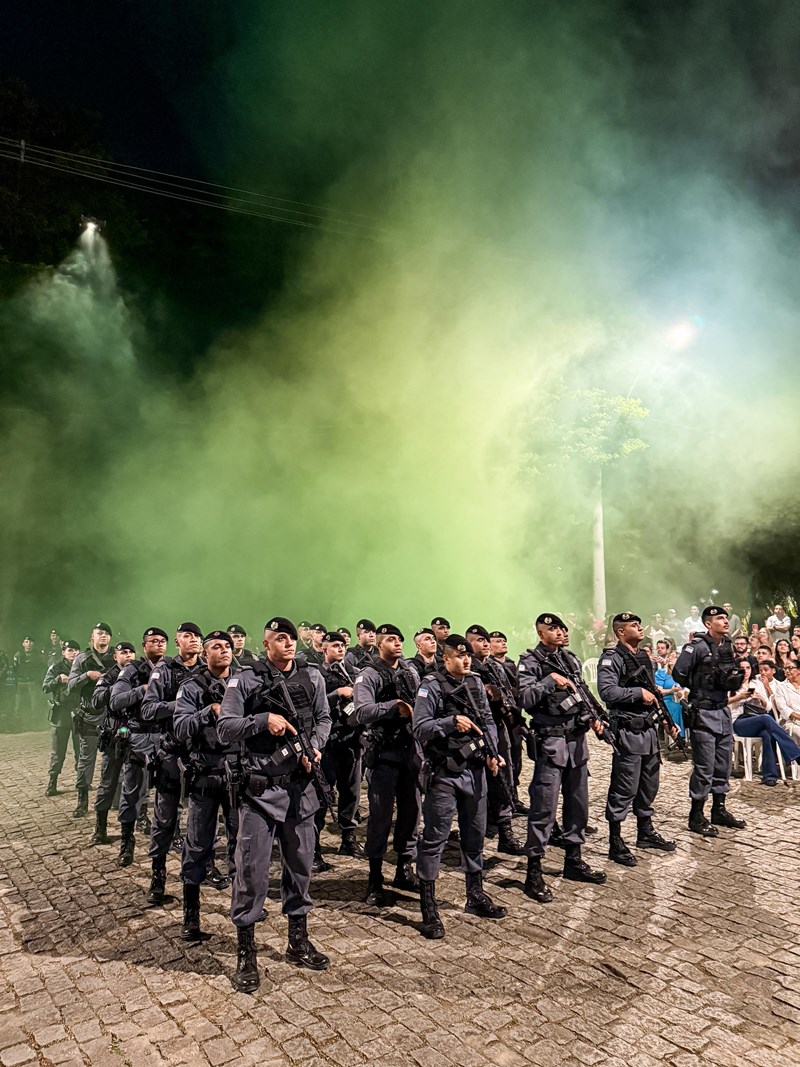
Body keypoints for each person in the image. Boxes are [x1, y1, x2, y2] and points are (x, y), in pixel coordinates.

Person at [217, 616, 332, 993]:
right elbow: (226, 727)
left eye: (291, 638)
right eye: (279, 639)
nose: (288, 643)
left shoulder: (312, 676)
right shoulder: (245, 679)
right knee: (251, 872)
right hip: (260, 793)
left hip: (302, 789)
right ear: (266, 645)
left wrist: (313, 748)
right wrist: (262, 720)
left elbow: (325, 719)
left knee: (300, 868)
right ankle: (246, 950)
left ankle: (297, 940)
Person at [413, 634, 507, 939]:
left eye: (468, 656)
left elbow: (488, 720)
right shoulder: (431, 685)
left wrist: (494, 753)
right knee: (435, 838)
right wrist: (451, 722)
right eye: (459, 656)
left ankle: (475, 894)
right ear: (446, 658)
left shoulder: (475, 683)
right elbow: (420, 727)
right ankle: (428, 907)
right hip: (445, 773)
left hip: (476, 770)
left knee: (475, 835)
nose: (466, 660)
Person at [517, 613, 606, 904]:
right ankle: (533, 871)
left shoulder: (570, 659)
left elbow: (582, 692)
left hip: (576, 741)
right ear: (540, 633)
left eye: (561, 628)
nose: (559, 632)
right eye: (552, 628)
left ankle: (573, 859)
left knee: (578, 802)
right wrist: (548, 681)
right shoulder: (530, 662)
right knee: (544, 806)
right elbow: (524, 699)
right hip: (551, 741)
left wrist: (593, 718)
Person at [173, 630, 242, 941]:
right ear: (205, 654)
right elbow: (179, 727)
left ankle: (242, 904)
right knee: (198, 844)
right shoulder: (191, 686)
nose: (224, 650)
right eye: (217, 646)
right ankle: (191, 913)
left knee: (241, 843)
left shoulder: (244, 682)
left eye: (227, 646)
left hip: (238, 773)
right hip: (206, 773)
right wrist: (207, 712)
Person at [597, 614, 677, 867]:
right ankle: (616, 841)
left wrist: (667, 720)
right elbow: (607, 691)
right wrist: (636, 693)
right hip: (628, 732)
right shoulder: (612, 657)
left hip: (649, 732)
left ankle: (645, 832)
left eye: (639, 624)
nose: (639, 628)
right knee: (624, 788)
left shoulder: (643, 657)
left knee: (648, 786)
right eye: (633, 625)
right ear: (620, 632)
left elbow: (653, 692)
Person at [352, 623, 421, 906]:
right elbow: (361, 711)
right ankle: (374, 878)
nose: (398, 643)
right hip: (383, 756)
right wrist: (393, 706)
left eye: (400, 639)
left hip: (410, 753)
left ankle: (404, 868)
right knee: (380, 818)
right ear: (379, 644)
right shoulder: (369, 674)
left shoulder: (410, 671)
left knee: (411, 814)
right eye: (391, 639)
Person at [139, 622, 204, 904]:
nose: (193, 640)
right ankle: (158, 875)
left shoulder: (207, 671)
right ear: (177, 641)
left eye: (196, 636)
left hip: (203, 755)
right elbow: (148, 709)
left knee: (203, 823)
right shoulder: (164, 670)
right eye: (187, 636)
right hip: (172, 753)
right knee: (165, 819)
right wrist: (182, 706)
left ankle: (202, 873)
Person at [673, 605, 746, 837]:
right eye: (720, 618)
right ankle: (696, 815)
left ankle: (719, 809)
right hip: (703, 712)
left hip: (722, 710)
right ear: (707, 624)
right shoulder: (695, 647)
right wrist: (696, 687)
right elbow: (678, 673)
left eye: (726, 618)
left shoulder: (727, 646)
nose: (726, 621)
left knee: (723, 764)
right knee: (704, 767)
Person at [111, 627, 169, 867]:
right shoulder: (132, 670)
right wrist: (141, 691)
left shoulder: (170, 669)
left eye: (163, 641)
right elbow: (115, 701)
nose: (159, 645)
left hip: (165, 737)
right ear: (144, 645)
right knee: (133, 792)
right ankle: (127, 841)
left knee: (168, 794)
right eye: (153, 641)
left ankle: (169, 836)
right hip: (140, 737)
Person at [466, 625, 524, 856]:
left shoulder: (494, 667)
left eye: (486, 640)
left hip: (499, 729)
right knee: (481, 782)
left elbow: (508, 695)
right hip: (476, 733)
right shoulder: (467, 670)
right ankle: (482, 827)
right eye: (480, 640)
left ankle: (504, 828)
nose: (486, 644)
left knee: (504, 774)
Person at [316, 631, 364, 861]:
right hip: (327, 744)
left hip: (351, 741)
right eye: (335, 645)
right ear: (323, 649)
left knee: (351, 792)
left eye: (343, 645)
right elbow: (310, 707)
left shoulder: (355, 674)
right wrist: (336, 694)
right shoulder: (315, 675)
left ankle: (348, 838)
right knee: (321, 795)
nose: (340, 649)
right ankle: (313, 846)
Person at [89, 641, 137, 844]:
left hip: (136, 735)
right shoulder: (108, 676)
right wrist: (117, 691)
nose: (128, 656)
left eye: (131, 652)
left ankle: (132, 829)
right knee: (108, 783)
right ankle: (100, 828)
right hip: (114, 735)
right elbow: (96, 700)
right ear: (115, 657)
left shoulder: (140, 674)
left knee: (134, 784)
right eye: (123, 653)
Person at [67, 623, 115, 817]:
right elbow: (70, 685)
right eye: (99, 633)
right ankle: (82, 800)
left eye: (107, 634)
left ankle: (114, 798)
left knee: (113, 758)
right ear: (92, 637)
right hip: (90, 715)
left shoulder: (116, 656)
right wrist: (87, 676)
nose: (103, 636)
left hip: (112, 716)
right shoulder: (82, 659)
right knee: (86, 760)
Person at [728, 659, 800, 785]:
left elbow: (768, 708)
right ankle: (795, 752)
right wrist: (741, 697)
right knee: (767, 719)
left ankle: (770, 776)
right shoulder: (730, 684)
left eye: (748, 668)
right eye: (742, 668)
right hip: (738, 721)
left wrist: (761, 699)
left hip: (756, 718)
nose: (745, 671)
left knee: (768, 733)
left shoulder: (756, 684)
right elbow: (725, 705)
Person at [42, 640, 81, 796]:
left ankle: (82, 781)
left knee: (81, 750)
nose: (74, 653)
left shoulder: (84, 667)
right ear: (63, 652)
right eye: (70, 650)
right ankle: (52, 783)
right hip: (61, 714)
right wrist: (58, 679)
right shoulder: (56, 667)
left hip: (79, 713)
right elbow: (45, 686)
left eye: (76, 650)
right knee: (58, 751)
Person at [655, 650, 686, 737]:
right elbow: (658, 691)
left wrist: (680, 693)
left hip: (679, 699)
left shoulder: (682, 674)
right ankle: (677, 735)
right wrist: (671, 691)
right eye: (670, 656)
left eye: (674, 657)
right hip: (665, 700)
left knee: (689, 708)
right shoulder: (661, 673)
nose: (670, 658)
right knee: (676, 707)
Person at [12, 636, 39, 728]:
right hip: (21, 681)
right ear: (23, 644)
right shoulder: (18, 655)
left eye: (31, 642)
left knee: (34, 702)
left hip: (32, 681)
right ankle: (17, 723)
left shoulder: (37, 655)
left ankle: (35, 722)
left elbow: (40, 667)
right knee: (18, 703)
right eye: (26, 642)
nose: (29, 644)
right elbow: (15, 669)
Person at [772, 661, 800, 743]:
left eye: (790, 668)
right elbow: (782, 707)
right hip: (791, 722)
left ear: (799, 670)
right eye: (785, 668)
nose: (787, 671)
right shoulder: (781, 687)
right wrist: (798, 716)